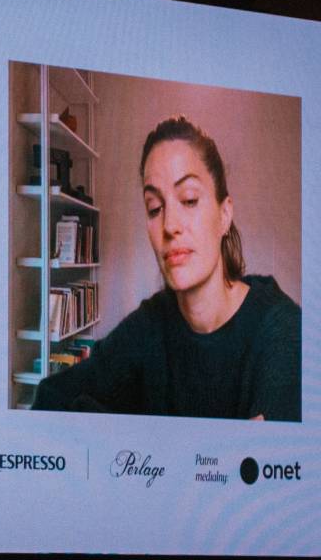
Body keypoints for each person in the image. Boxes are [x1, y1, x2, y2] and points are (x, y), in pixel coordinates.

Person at [33, 116, 300, 420]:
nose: (170, 225)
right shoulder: (150, 325)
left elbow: (275, 454)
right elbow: (51, 398)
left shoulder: (281, 329)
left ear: (224, 215)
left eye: (189, 200)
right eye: (154, 208)